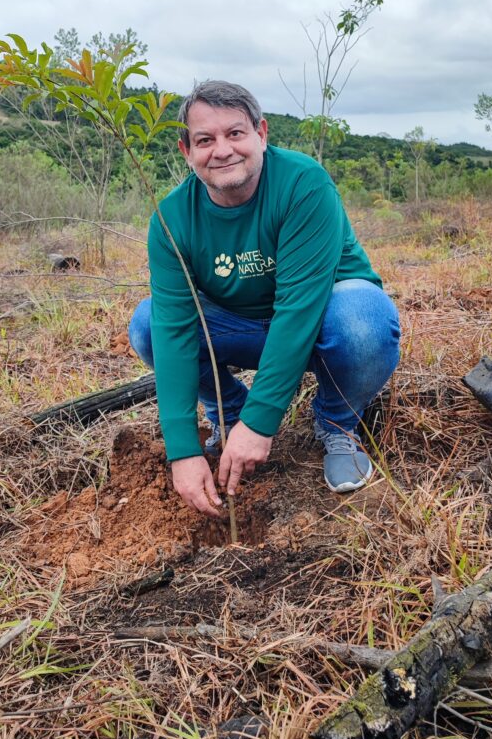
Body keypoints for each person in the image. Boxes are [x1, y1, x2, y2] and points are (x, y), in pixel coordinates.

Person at [128, 80, 400, 517]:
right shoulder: (171, 219)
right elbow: (176, 330)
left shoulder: (303, 184)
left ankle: (337, 422)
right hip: (239, 325)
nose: (222, 150)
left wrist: (262, 421)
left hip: (320, 323)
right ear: (186, 151)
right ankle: (227, 414)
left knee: (362, 320)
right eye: (205, 140)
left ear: (262, 134)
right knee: (147, 324)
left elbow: (298, 310)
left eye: (235, 133)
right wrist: (182, 449)